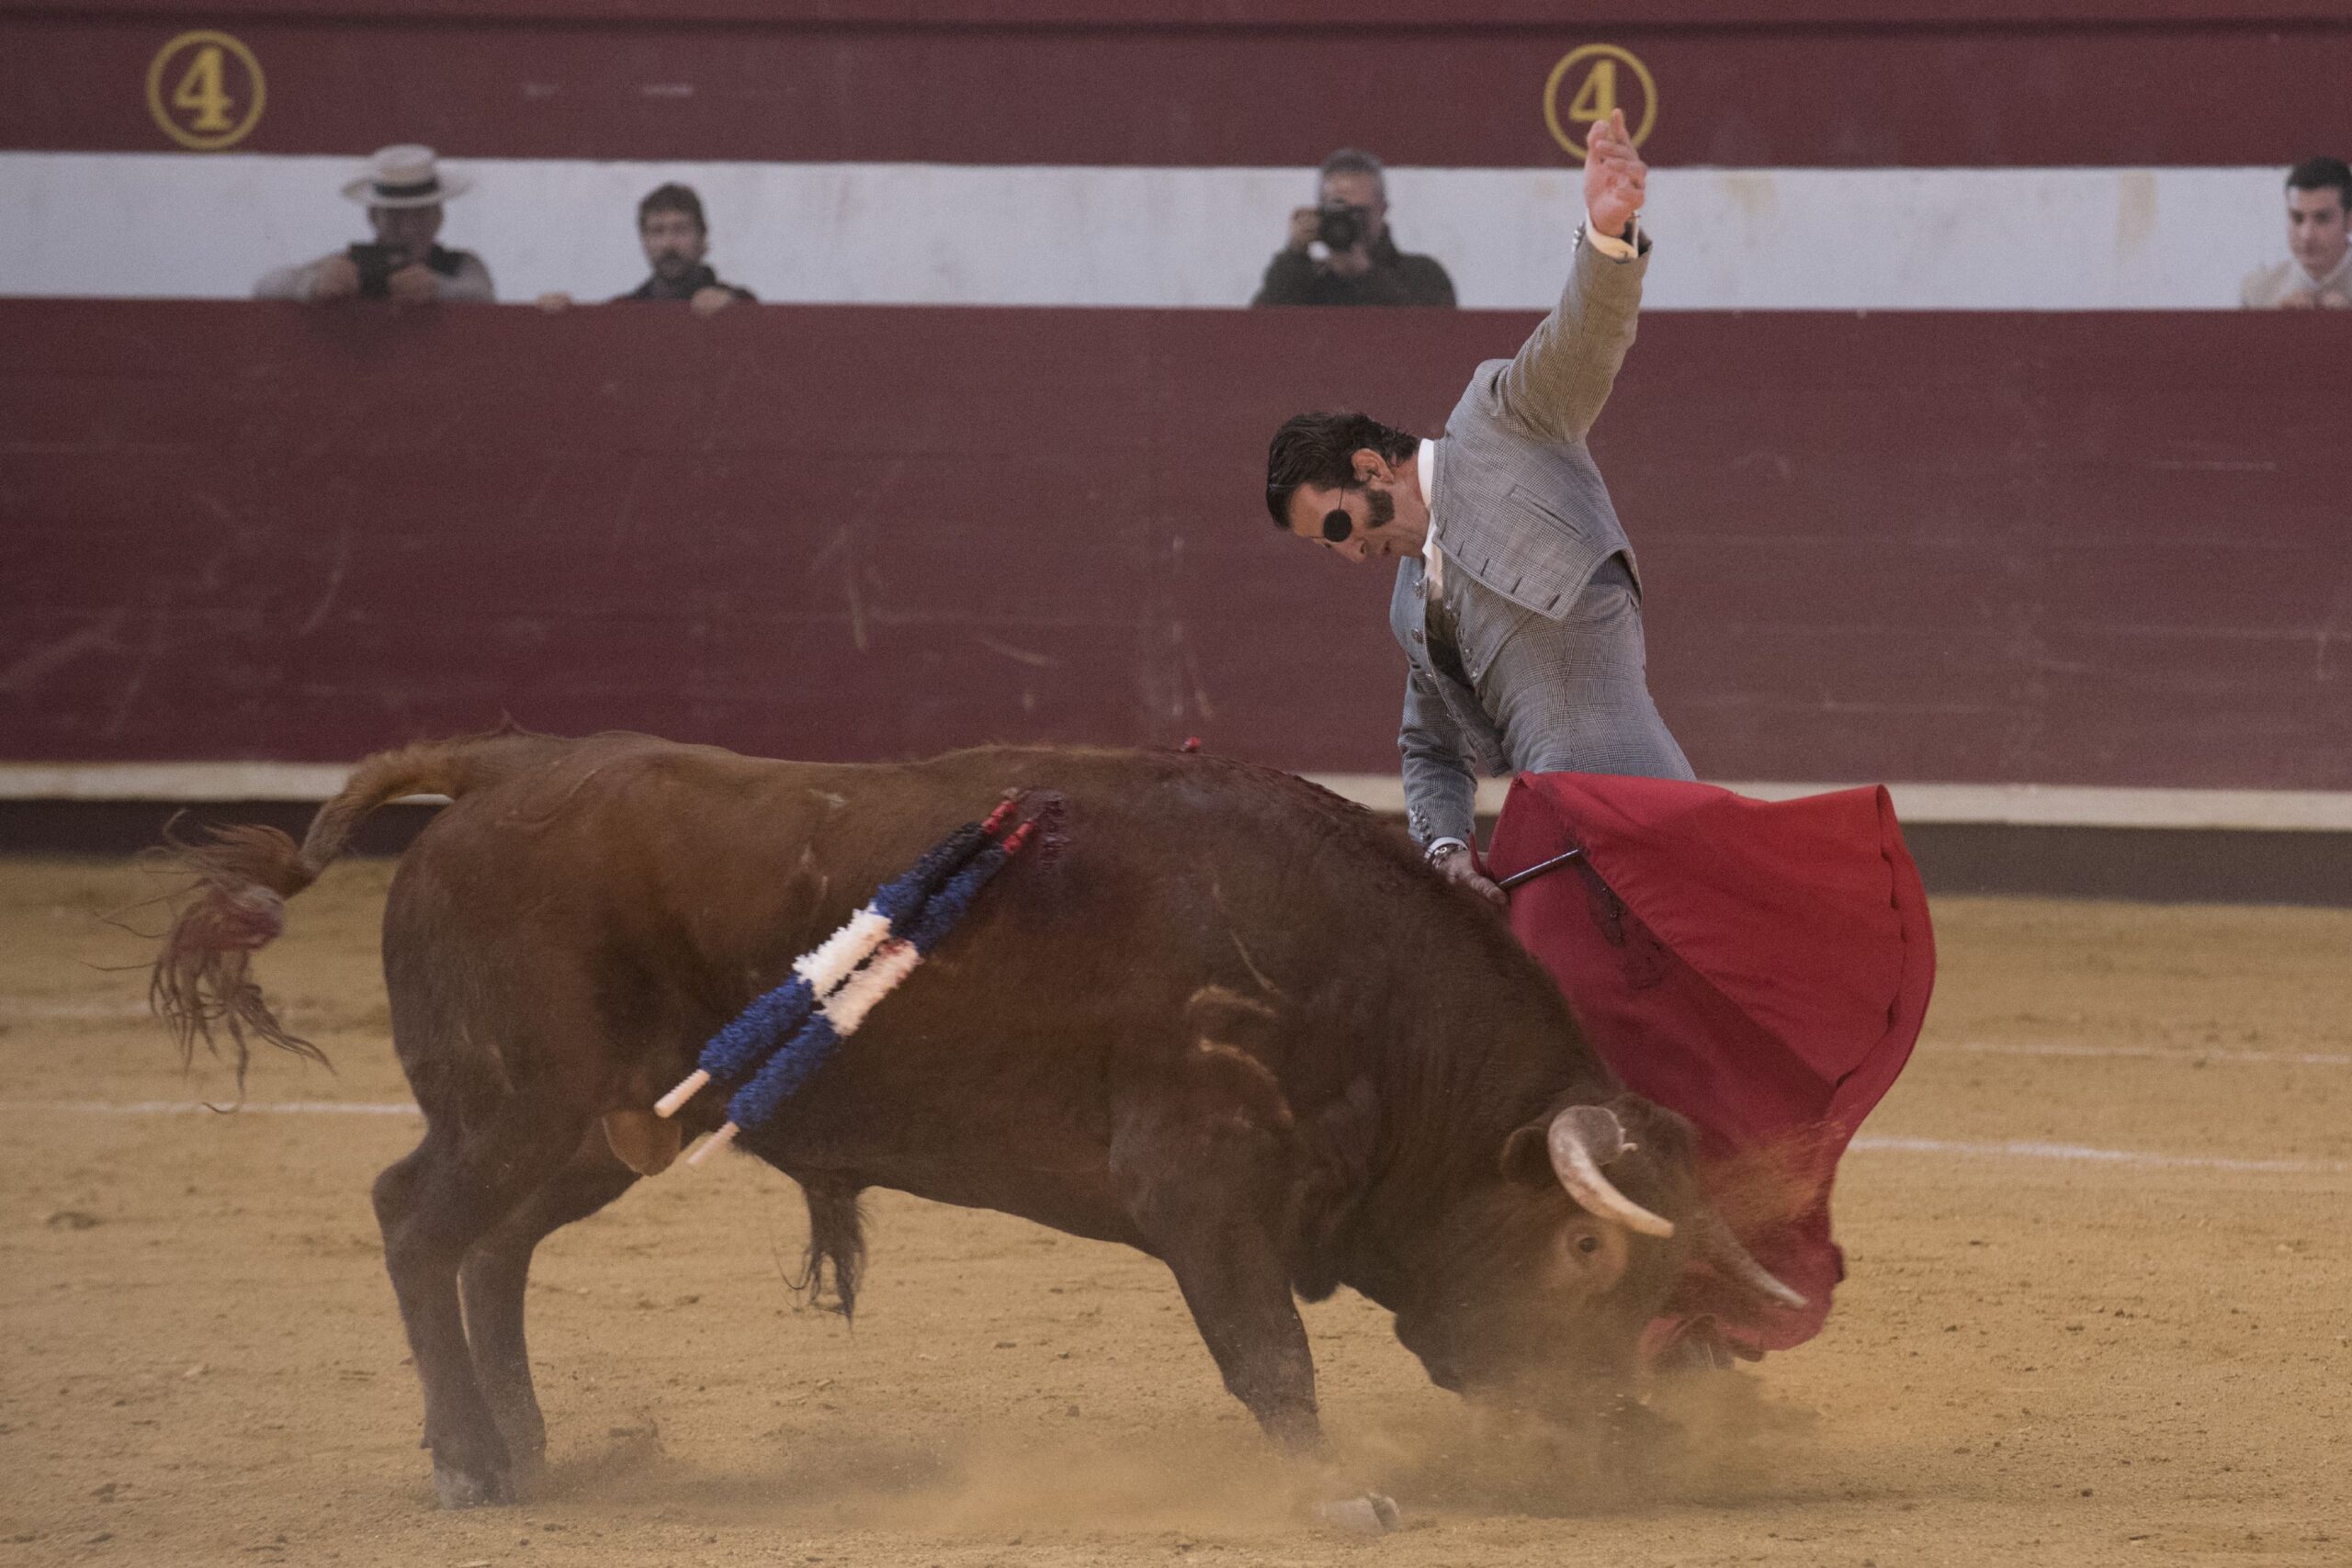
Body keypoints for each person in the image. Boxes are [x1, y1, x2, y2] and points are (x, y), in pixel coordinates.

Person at [1263, 109, 1685, 907]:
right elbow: (1429, 748)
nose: (1349, 554)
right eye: (1328, 547)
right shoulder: (1410, 608)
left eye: (1340, 527)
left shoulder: (1499, 422)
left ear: (1367, 467)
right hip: (1547, 860)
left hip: (1647, 814)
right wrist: (1448, 847)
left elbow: (1580, 345)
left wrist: (1607, 236)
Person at [254, 145, 493, 304]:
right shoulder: (346, 264)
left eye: (420, 214)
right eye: (396, 215)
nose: (409, 228)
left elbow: (482, 295)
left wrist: (438, 289)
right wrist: (314, 284)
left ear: (438, 217)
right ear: (373, 216)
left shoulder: (462, 265)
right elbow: (266, 287)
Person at [1250, 149, 1455, 308]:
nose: (1346, 220)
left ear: (1382, 209)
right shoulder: (1304, 280)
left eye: (1358, 212)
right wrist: (1294, 255)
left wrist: (1366, 274)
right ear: (1320, 211)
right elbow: (1258, 333)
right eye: (1337, 210)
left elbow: (1431, 336)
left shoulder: (1422, 274)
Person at [538, 183, 756, 316]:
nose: (668, 243)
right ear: (644, 241)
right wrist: (560, 317)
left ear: (703, 237)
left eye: (680, 230)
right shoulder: (620, 312)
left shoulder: (740, 302)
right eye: (657, 231)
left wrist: (734, 309)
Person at [2240, 157, 2351, 310]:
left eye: (2322, 218)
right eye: (2297, 218)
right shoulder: (2256, 293)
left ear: (2349, 220)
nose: (2306, 235)